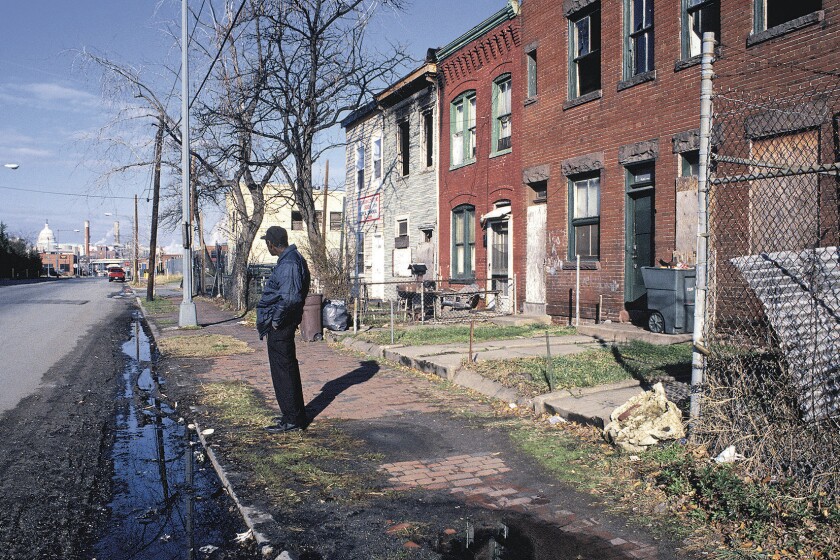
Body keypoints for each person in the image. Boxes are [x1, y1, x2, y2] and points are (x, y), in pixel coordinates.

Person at [256, 226, 311, 433]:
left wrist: (276, 321)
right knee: (285, 370)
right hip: (284, 323)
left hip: (281, 325)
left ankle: (292, 420)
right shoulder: (291, 260)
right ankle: (292, 415)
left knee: (283, 372)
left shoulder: (289, 263)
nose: (267, 246)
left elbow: (290, 298)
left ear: (271, 244)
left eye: (266, 243)